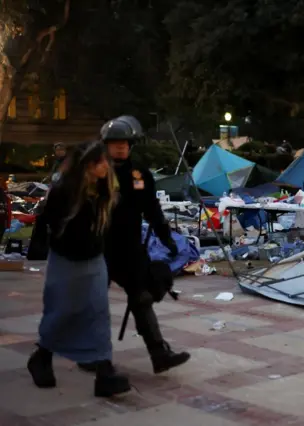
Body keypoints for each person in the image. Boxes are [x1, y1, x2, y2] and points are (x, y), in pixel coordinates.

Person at [77, 116, 189, 374]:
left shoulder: (139, 174)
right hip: (99, 247)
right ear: (106, 144)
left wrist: (166, 237)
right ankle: (89, 354)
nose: (121, 147)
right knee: (94, 303)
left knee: (142, 299)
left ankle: (159, 354)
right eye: (115, 143)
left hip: (129, 248)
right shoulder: (96, 172)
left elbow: (151, 207)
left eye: (125, 143)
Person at [27, 140, 131, 397]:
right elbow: (52, 225)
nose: (107, 166)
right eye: (102, 161)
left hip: (94, 260)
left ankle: (105, 373)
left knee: (98, 313)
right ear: (89, 165)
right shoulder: (65, 191)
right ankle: (42, 357)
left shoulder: (105, 190)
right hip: (67, 261)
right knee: (62, 312)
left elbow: (109, 228)